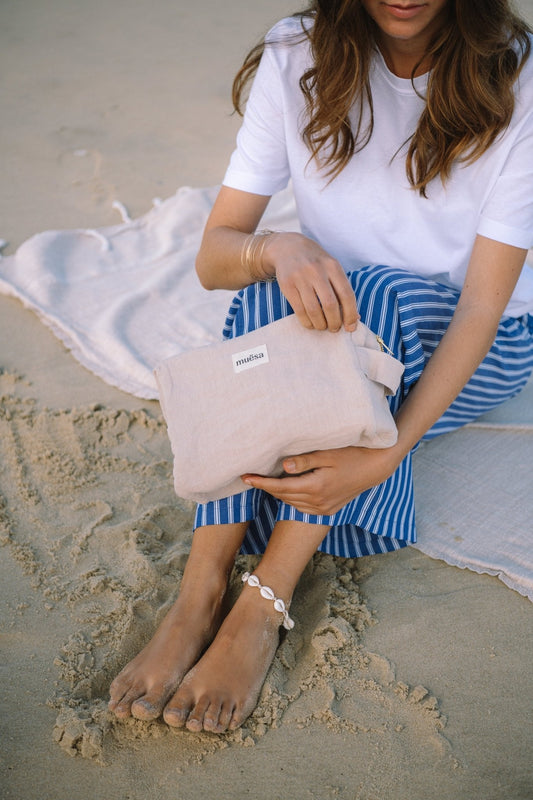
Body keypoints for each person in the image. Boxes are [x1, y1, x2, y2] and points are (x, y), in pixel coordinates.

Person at [109, 0, 533, 734]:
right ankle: (201, 585)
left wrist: (382, 457)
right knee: (278, 287)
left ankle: (261, 601)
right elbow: (218, 256)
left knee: (359, 293)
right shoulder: (296, 53)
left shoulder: (520, 78)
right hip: (337, 328)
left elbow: (480, 312)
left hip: (485, 342)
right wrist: (275, 249)